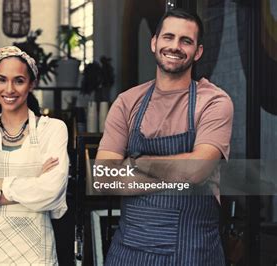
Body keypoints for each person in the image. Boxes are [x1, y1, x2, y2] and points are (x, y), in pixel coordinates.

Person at [97, 9, 234, 265]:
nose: (175, 46)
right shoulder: (127, 103)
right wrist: (177, 173)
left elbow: (197, 170)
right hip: (129, 250)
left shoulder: (214, 102)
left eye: (186, 41)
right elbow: (104, 177)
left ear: (198, 51)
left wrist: (134, 166)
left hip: (191, 250)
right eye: (168, 37)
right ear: (154, 43)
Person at [0, 46, 69, 265]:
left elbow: (51, 193)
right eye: (2, 80)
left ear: (31, 84)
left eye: (18, 80)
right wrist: (32, 186)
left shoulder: (52, 129)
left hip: (34, 253)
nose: (9, 89)